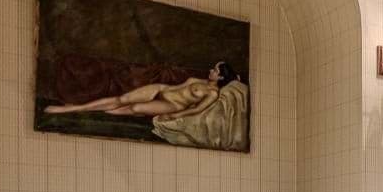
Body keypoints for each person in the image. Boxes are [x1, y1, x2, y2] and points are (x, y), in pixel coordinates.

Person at [44, 62, 239, 120]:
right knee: (122, 98)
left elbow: (196, 110)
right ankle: (71, 109)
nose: (211, 70)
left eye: (215, 70)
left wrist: (175, 116)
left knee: (135, 108)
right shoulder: (199, 80)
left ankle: (81, 109)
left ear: (220, 77)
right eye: (212, 67)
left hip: (171, 104)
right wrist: (163, 89)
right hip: (163, 90)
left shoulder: (212, 94)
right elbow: (178, 87)